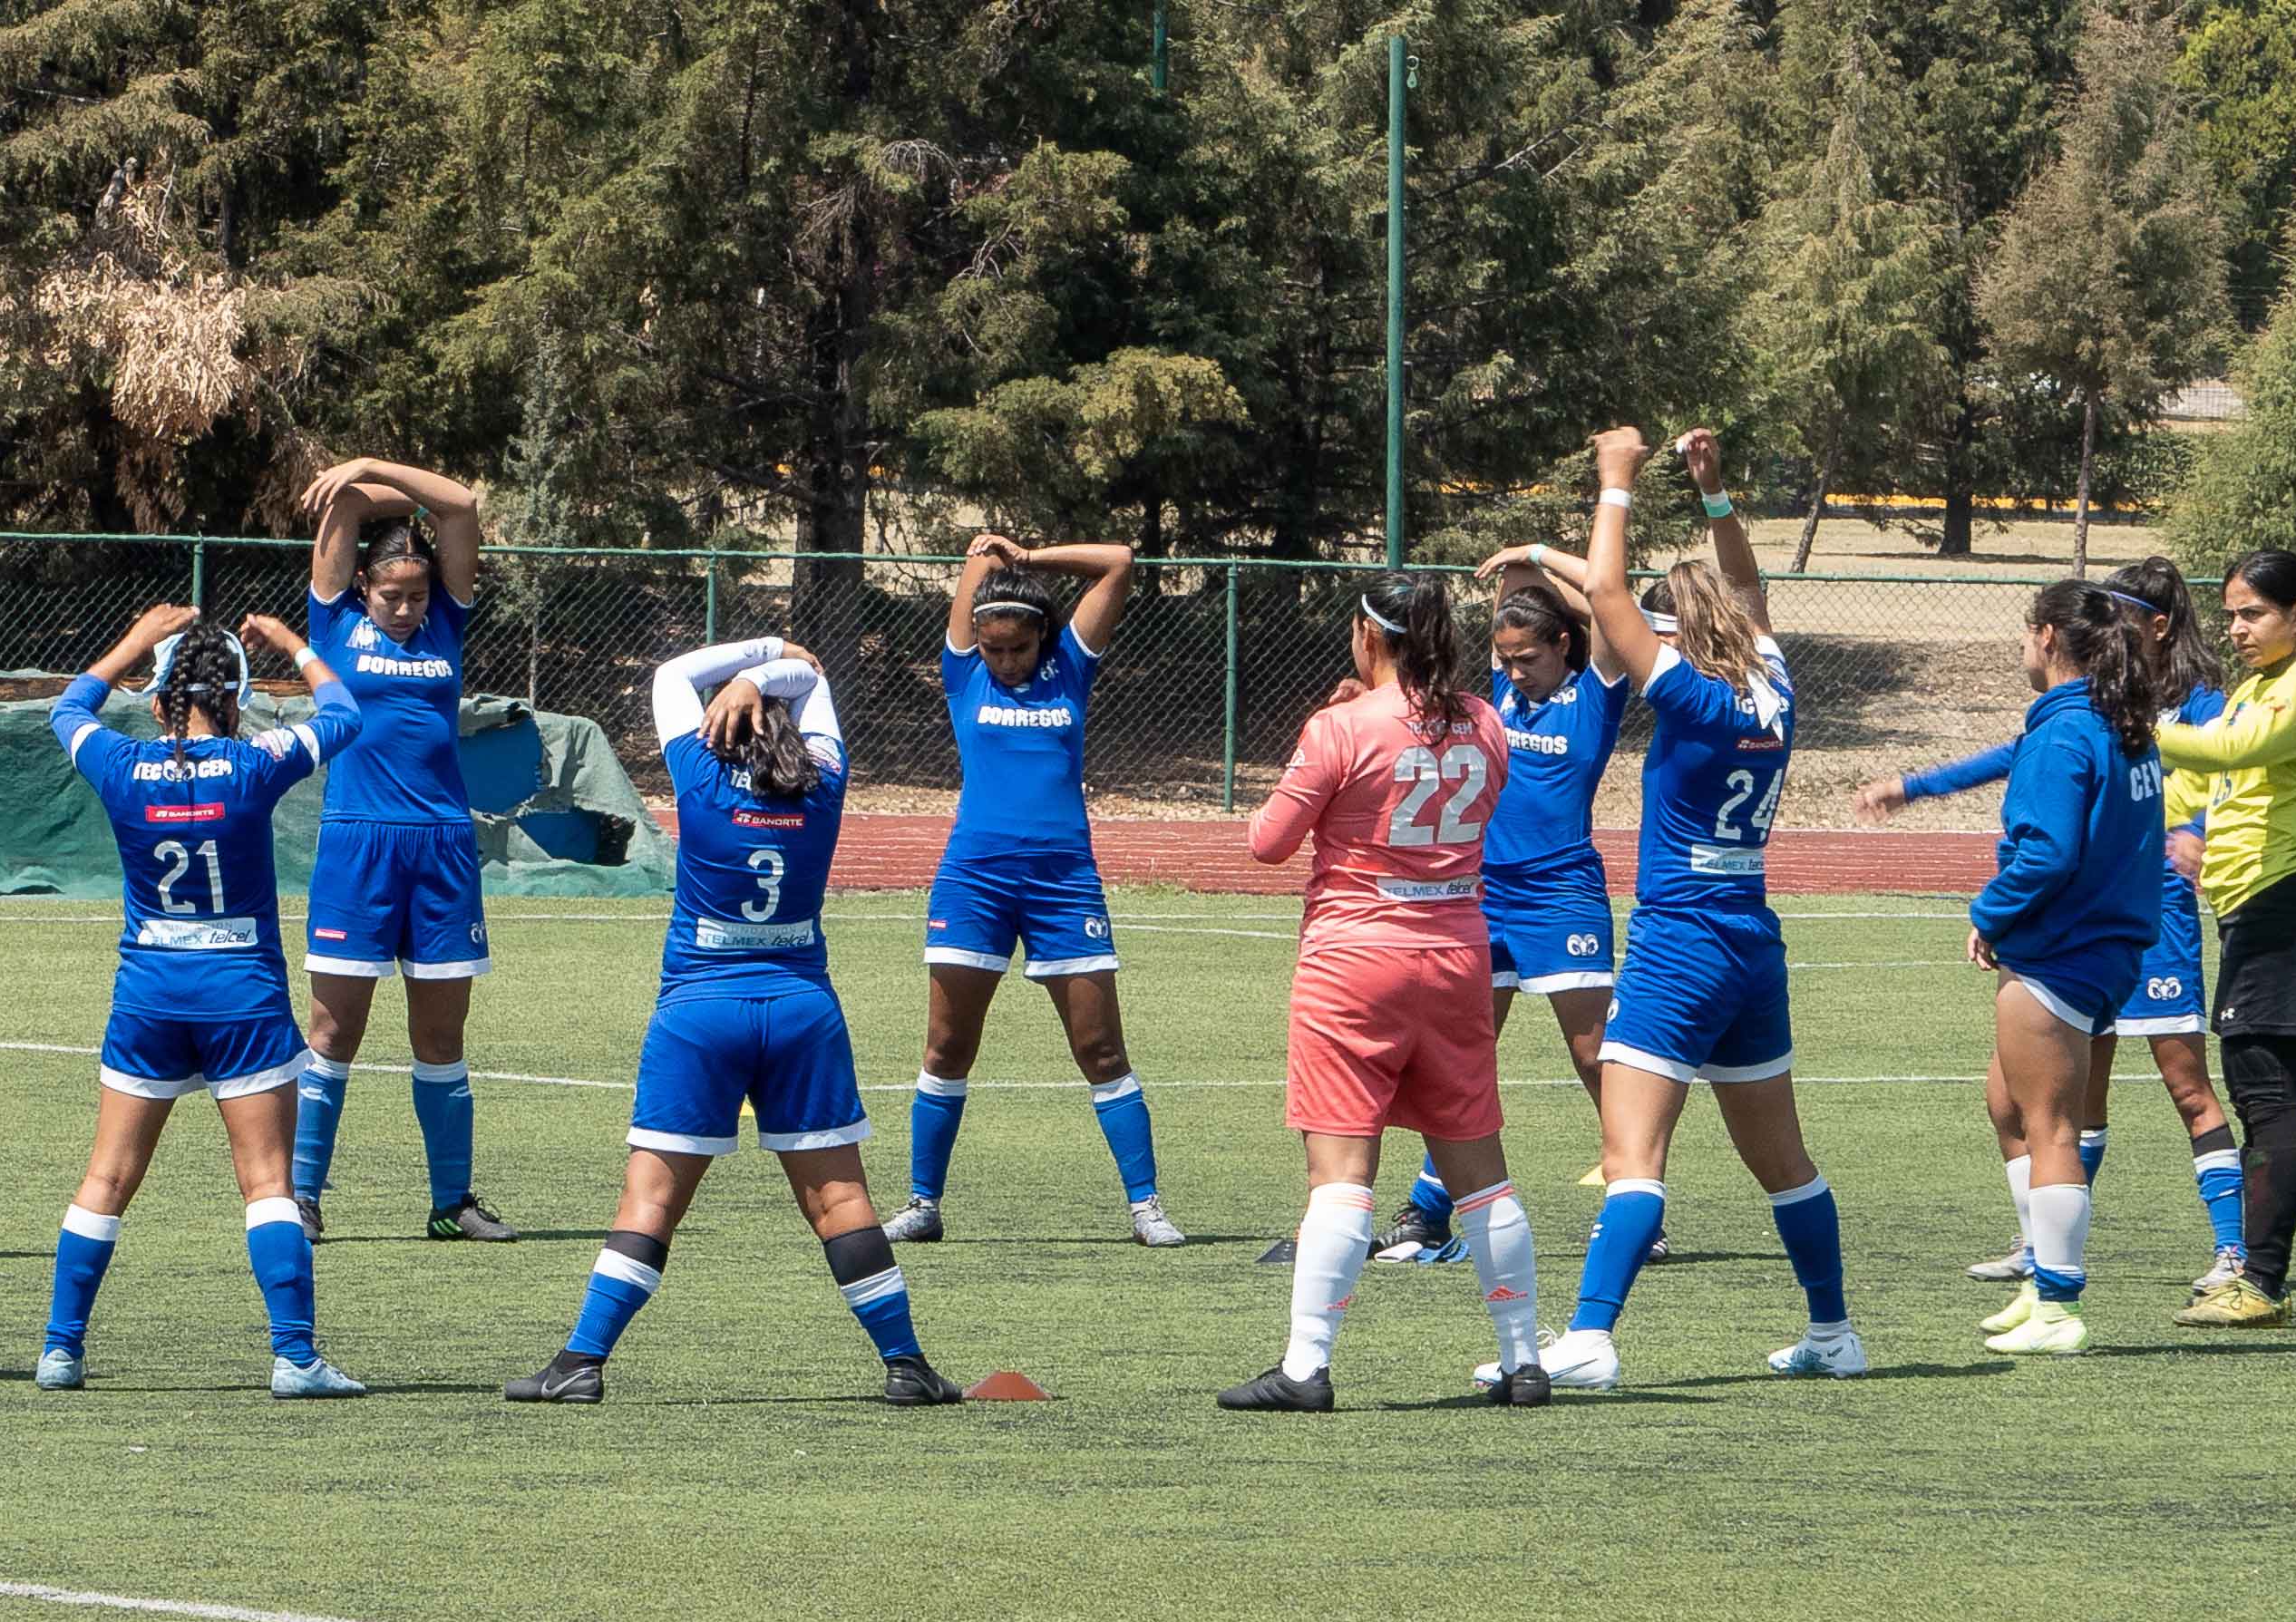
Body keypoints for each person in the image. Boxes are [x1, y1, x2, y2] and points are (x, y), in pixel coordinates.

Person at [1485, 427, 1863, 1392]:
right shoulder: (1772, 686)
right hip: (1749, 939)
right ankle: (1832, 1331)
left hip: (1679, 940)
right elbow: (1747, 589)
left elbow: (1606, 602)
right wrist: (1713, 494)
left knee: (1632, 1152)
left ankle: (1589, 1337)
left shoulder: (1692, 696)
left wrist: (1613, 482)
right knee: (1782, 1159)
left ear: (1679, 634)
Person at [501, 636, 963, 1409]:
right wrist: (768, 672)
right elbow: (811, 678)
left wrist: (749, 661)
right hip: (801, 1013)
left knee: (649, 1200)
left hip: (700, 1011)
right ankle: (907, 1365)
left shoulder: (700, 778)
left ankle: (580, 1362)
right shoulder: (824, 784)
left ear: (719, 726)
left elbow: (670, 673)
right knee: (840, 1199)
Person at [1857, 561, 2249, 1297]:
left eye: (2119, 611)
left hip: (2143, 916)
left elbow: (2217, 772)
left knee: (2183, 1084)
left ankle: (2230, 1251)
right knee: (2051, 1102)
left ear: (2153, 626)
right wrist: (1912, 786)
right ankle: (2047, 1248)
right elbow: (2015, 757)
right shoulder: (2098, 707)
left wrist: (2194, 829)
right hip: (2097, 918)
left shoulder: (2187, 706)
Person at [1220, 576, 1551, 1412]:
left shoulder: (1338, 726)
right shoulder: (1485, 720)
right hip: (1456, 956)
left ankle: (1305, 1368)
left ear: (1371, 637)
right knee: (1480, 1171)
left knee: (1339, 1174)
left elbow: (1266, 843)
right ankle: (1523, 1363)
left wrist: (1329, 740)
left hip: (1354, 961)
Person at [36, 606, 371, 1397]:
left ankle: (60, 1350)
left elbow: (65, 708)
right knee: (266, 1183)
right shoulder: (256, 763)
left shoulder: (118, 764)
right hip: (242, 998)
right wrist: (293, 642)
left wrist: (131, 638)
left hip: (149, 994)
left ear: (156, 702)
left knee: (106, 1180)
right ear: (238, 701)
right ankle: (294, 1358)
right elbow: (346, 714)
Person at [880, 533, 1184, 1249]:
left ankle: (1145, 1206)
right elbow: (974, 562)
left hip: (1063, 882)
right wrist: (991, 563)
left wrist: (1027, 557)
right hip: (974, 878)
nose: (1006, 661)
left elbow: (1118, 563)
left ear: (1041, 637)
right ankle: (923, 1203)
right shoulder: (964, 673)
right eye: (994, 649)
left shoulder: (1070, 668)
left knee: (1100, 1049)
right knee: (946, 1048)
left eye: (1018, 648)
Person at [1372, 544, 1638, 1263]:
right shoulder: (1504, 688)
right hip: (1481, 896)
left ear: (1561, 644)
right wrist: (1519, 570)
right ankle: (1428, 1210)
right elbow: (1513, 595)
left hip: (1562, 899)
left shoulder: (1594, 694)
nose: (1512, 671)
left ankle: (1636, 1199)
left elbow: (1614, 602)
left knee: (1592, 1057)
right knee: (1460, 1057)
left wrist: (1541, 554)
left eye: (1527, 658)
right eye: (1504, 658)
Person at [287, 457, 517, 1244]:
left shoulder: (446, 621)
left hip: (444, 848)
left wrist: (370, 466)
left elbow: (460, 506)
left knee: (441, 1038)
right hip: (358, 845)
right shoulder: (333, 624)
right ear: (362, 591)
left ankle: (451, 1203)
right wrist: (354, 491)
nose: (408, 608)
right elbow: (343, 514)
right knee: (331, 1033)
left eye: (417, 595)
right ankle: (303, 1197)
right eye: (393, 596)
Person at [1954, 582, 2168, 1356]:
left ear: (2047, 637)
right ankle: (2038, 1278)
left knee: (2048, 1126)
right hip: (2101, 948)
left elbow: (2046, 852)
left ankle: (2057, 1304)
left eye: (2023, 635)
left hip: (2061, 952)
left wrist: (1988, 913)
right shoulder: (2118, 725)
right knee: (2007, 1106)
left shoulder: (2065, 733)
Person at [2158, 550, 2296, 1328]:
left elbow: (2235, 753)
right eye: (2230, 613)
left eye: (2254, 614)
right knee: (2258, 1090)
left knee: (2265, 1095)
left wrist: (2148, 726)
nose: (2236, 628)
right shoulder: (2248, 690)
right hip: (2245, 909)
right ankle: (2254, 1276)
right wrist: (2156, 806)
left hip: (2287, 902)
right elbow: (2200, 783)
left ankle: (2260, 1281)